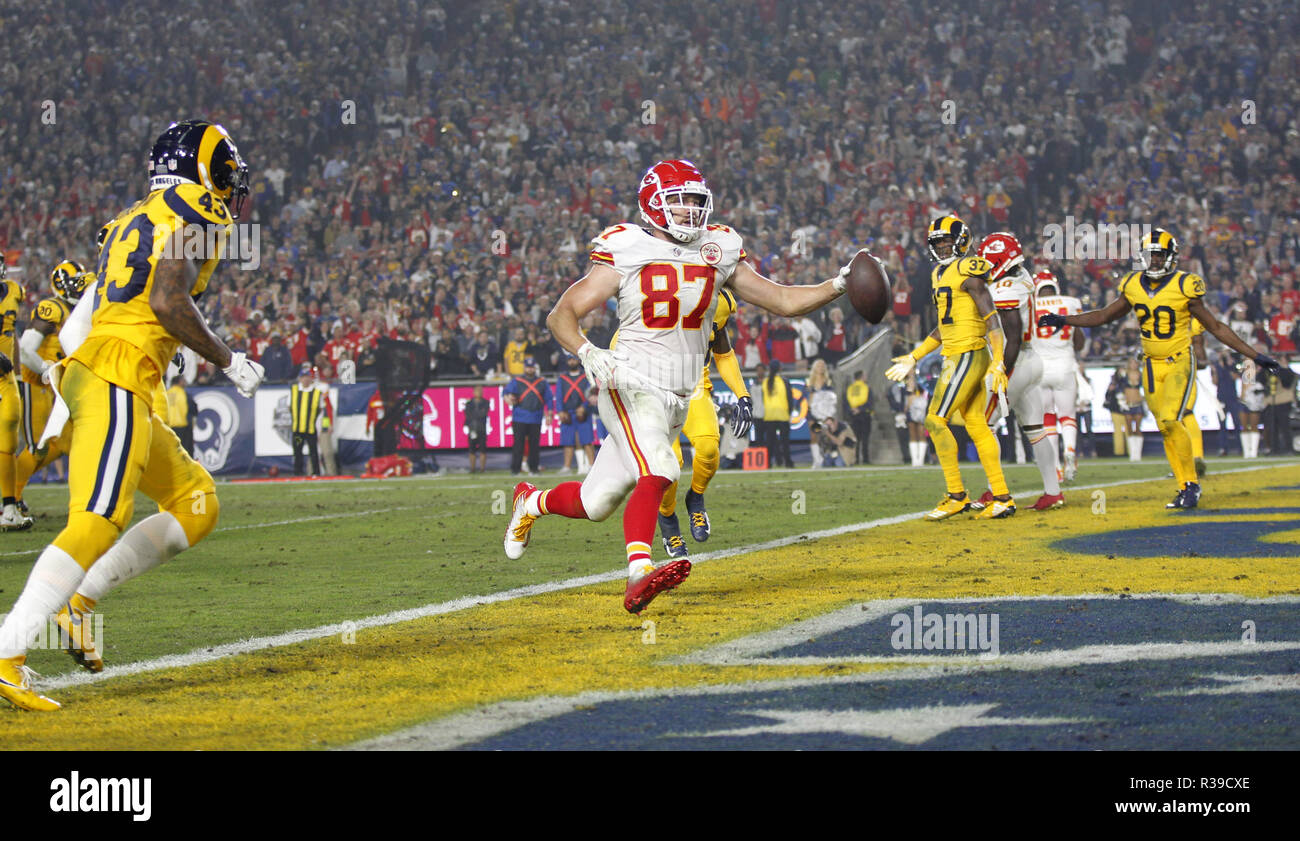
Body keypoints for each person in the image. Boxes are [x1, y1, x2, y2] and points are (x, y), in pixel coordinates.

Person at [503, 159, 849, 614]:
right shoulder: (626, 245)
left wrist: (841, 283)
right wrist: (589, 352)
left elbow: (783, 299)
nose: (689, 211)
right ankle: (638, 574)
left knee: (597, 502)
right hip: (629, 380)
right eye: (678, 201)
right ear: (652, 203)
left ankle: (532, 503)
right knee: (663, 469)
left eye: (694, 201)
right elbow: (560, 315)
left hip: (679, 396)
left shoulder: (719, 246)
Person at [0, 119, 265, 710]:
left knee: (196, 504)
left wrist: (72, 373)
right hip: (118, 374)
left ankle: (80, 599)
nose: (230, 182)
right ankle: (7, 648)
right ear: (203, 167)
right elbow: (169, 299)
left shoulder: (131, 216)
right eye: (224, 168)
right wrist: (227, 359)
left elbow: (88, 315)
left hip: (114, 373)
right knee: (96, 520)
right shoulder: (198, 206)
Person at [1040, 228, 1282, 508]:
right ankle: (1184, 487)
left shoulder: (1185, 285)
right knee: (1164, 426)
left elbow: (1215, 327)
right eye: (1150, 255)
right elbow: (1105, 315)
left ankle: (1191, 484)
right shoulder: (1132, 285)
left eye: (1159, 255)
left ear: (1171, 257)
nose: (1154, 260)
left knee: (1170, 419)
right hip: (1151, 366)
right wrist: (1066, 320)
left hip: (1179, 359)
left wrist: (1255, 355)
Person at [886, 215, 1015, 520]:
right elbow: (944, 327)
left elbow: (992, 320)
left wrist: (999, 360)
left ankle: (957, 495)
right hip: (956, 354)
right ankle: (1002, 498)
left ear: (962, 239)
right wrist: (914, 357)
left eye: (946, 241)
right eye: (937, 243)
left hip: (968, 354)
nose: (942, 247)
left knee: (933, 420)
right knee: (975, 424)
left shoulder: (970, 270)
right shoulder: (939, 275)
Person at [657, 286, 753, 558]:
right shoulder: (654, 289)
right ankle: (667, 519)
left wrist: (742, 395)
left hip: (695, 386)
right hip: (656, 388)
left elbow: (723, 351)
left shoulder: (718, 300)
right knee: (670, 465)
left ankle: (695, 497)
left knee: (710, 448)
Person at [974, 232, 1063, 511]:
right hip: (1031, 358)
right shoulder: (1022, 275)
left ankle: (996, 493)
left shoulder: (1006, 289)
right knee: (1035, 429)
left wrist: (1002, 369)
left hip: (1017, 361)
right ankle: (1053, 492)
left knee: (983, 423)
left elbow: (1012, 337)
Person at [14, 262, 89, 518]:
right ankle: (9, 499)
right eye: (75, 282)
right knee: (38, 446)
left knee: (64, 443)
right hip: (37, 384)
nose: (80, 288)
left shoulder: (76, 311)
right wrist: (45, 369)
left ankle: (86, 500)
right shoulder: (51, 308)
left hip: (59, 388)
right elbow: (25, 350)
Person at [1031, 270, 1086, 480]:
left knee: (1047, 419)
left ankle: (1055, 468)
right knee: (1068, 416)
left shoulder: (1030, 306)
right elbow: (1079, 342)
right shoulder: (1071, 302)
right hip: (1064, 365)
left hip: (1040, 368)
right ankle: (1070, 451)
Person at [0, 255, 28, 532]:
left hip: (6, 379)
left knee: (9, 442)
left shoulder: (13, 291)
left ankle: (9, 507)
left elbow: (13, 336)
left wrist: (19, 373)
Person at [503, 356, 552, 475]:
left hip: (536, 417)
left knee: (534, 445)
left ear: (534, 368)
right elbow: (505, 393)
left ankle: (534, 469)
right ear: (525, 368)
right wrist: (509, 399)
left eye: (532, 367)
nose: (530, 370)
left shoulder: (542, 382)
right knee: (518, 445)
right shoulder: (517, 381)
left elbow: (549, 399)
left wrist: (549, 414)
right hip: (519, 416)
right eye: (528, 367)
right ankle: (515, 469)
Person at [554, 354, 592, 475]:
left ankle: (591, 466)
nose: (572, 362)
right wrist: (560, 411)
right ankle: (567, 467)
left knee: (587, 440)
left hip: (583, 412)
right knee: (568, 441)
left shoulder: (586, 376)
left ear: (578, 361)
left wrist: (584, 407)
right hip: (568, 413)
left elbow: (590, 394)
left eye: (574, 359)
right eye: (569, 360)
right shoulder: (562, 378)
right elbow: (559, 396)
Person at [289, 364, 326, 476]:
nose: (305, 379)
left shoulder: (316, 393)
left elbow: (321, 409)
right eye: (303, 377)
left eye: (307, 376)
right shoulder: (294, 391)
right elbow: (289, 407)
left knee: (313, 452)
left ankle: (316, 473)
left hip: (310, 428)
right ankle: (297, 473)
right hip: (298, 429)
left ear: (311, 378)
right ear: (300, 378)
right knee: (297, 452)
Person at [760, 359, 794, 468]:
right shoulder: (784, 380)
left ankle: (768, 463)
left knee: (770, 442)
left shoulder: (765, 381)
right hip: (782, 414)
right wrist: (790, 412)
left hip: (769, 414)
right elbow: (789, 398)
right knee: (785, 441)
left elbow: (763, 398)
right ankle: (788, 462)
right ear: (780, 368)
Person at [805, 358, 837, 469]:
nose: (821, 367)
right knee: (814, 435)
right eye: (818, 365)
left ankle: (823, 457)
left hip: (823, 411)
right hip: (812, 411)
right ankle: (816, 460)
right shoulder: (810, 381)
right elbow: (808, 397)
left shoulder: (828, 381)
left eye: (822, 365)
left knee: (823, 435)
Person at [1212, 351, 1243, 456]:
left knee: (1237, 424)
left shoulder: (1233, 365)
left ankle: (1241, 447)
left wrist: (1229, 367)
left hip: (1232, 398)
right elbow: (1215, 382)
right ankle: (1223, 448)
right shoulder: (1216, 367)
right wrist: (1215, 371)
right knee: (1222, 425)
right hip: (1221, 398)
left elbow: (1236, 377)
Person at [846, 369, 871, 464]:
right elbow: (869, 402)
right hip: (864, 415)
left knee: (855, 438)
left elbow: (846, 402)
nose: (866, 377)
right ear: (861, 377)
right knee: (865, 438)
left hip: (853, 415)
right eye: (864, 376)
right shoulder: (866, 387)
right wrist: (860, 409)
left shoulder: (850, 388)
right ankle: (865, 459)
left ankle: (855, 458)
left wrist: (852, 410)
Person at [463, 385, 491, 473]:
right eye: (477, 390)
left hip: (482, 428)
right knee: (472, 449)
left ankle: (482, 469)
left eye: (480, 390)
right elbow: (468, 415)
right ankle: (472, 468)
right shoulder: (469, 403)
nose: (479, 392)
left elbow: (484, 413)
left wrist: (474, 415)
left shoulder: (486, 402)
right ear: (473, 392)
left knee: (483, 449)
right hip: (472, 428)